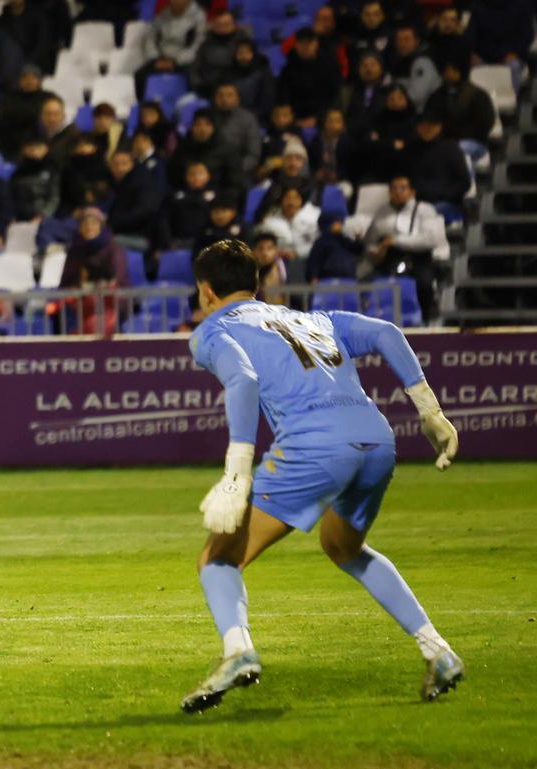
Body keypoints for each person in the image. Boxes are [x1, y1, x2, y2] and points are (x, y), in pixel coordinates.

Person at [180, 238, 462, 713]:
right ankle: (439, 652)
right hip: (376, 440)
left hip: (315, 446)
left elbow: (244, 380)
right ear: (258, 283)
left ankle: (238, 653)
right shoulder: (313, 318)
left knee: (218, 558)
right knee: (344, 546)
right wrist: (430, 412)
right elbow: (388, 332)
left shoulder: (210, 331)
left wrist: (237, 471)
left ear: (205, 291)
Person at [362, 175, 449, 322]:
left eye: (403, 188)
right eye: (394, 188)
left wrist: (395, 241)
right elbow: (369, 242)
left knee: (424, 284)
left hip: (419, 259)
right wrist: (376, 252)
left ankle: (427, 318)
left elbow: (430, 240)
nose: (398, 192)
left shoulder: (425, 210)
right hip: (390, 259)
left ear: (412, 192)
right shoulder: (382, 213)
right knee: (367, 283)